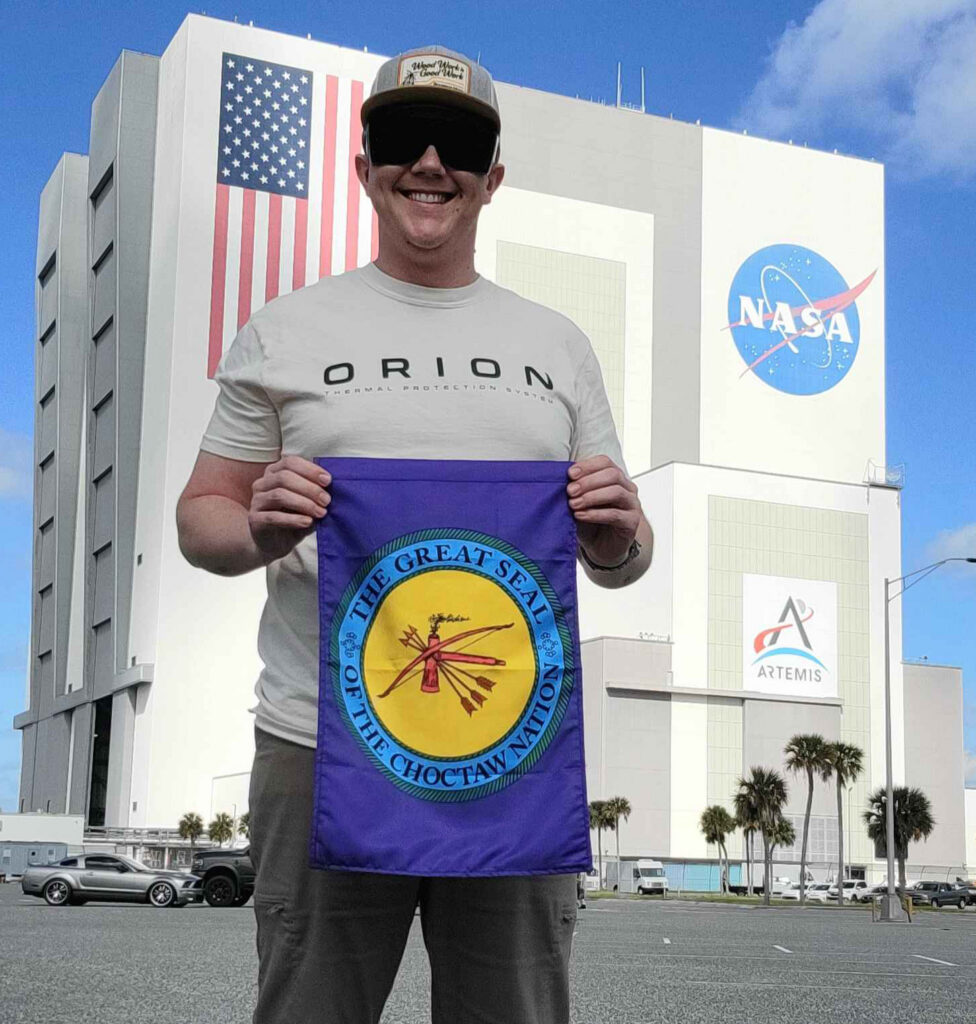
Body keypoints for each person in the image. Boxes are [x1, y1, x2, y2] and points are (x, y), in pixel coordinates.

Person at [177, 45, 652, 1024]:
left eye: (459, 146)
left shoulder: (557, 345)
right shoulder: (285, 330)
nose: (430, 162)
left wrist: (616, 537)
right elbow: (201, 515)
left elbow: (623, 549)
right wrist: (257, 527)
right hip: (318, 742)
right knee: (310, 1006)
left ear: (492, 179)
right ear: (364, 168)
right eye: (402, 139)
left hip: (512, 756)